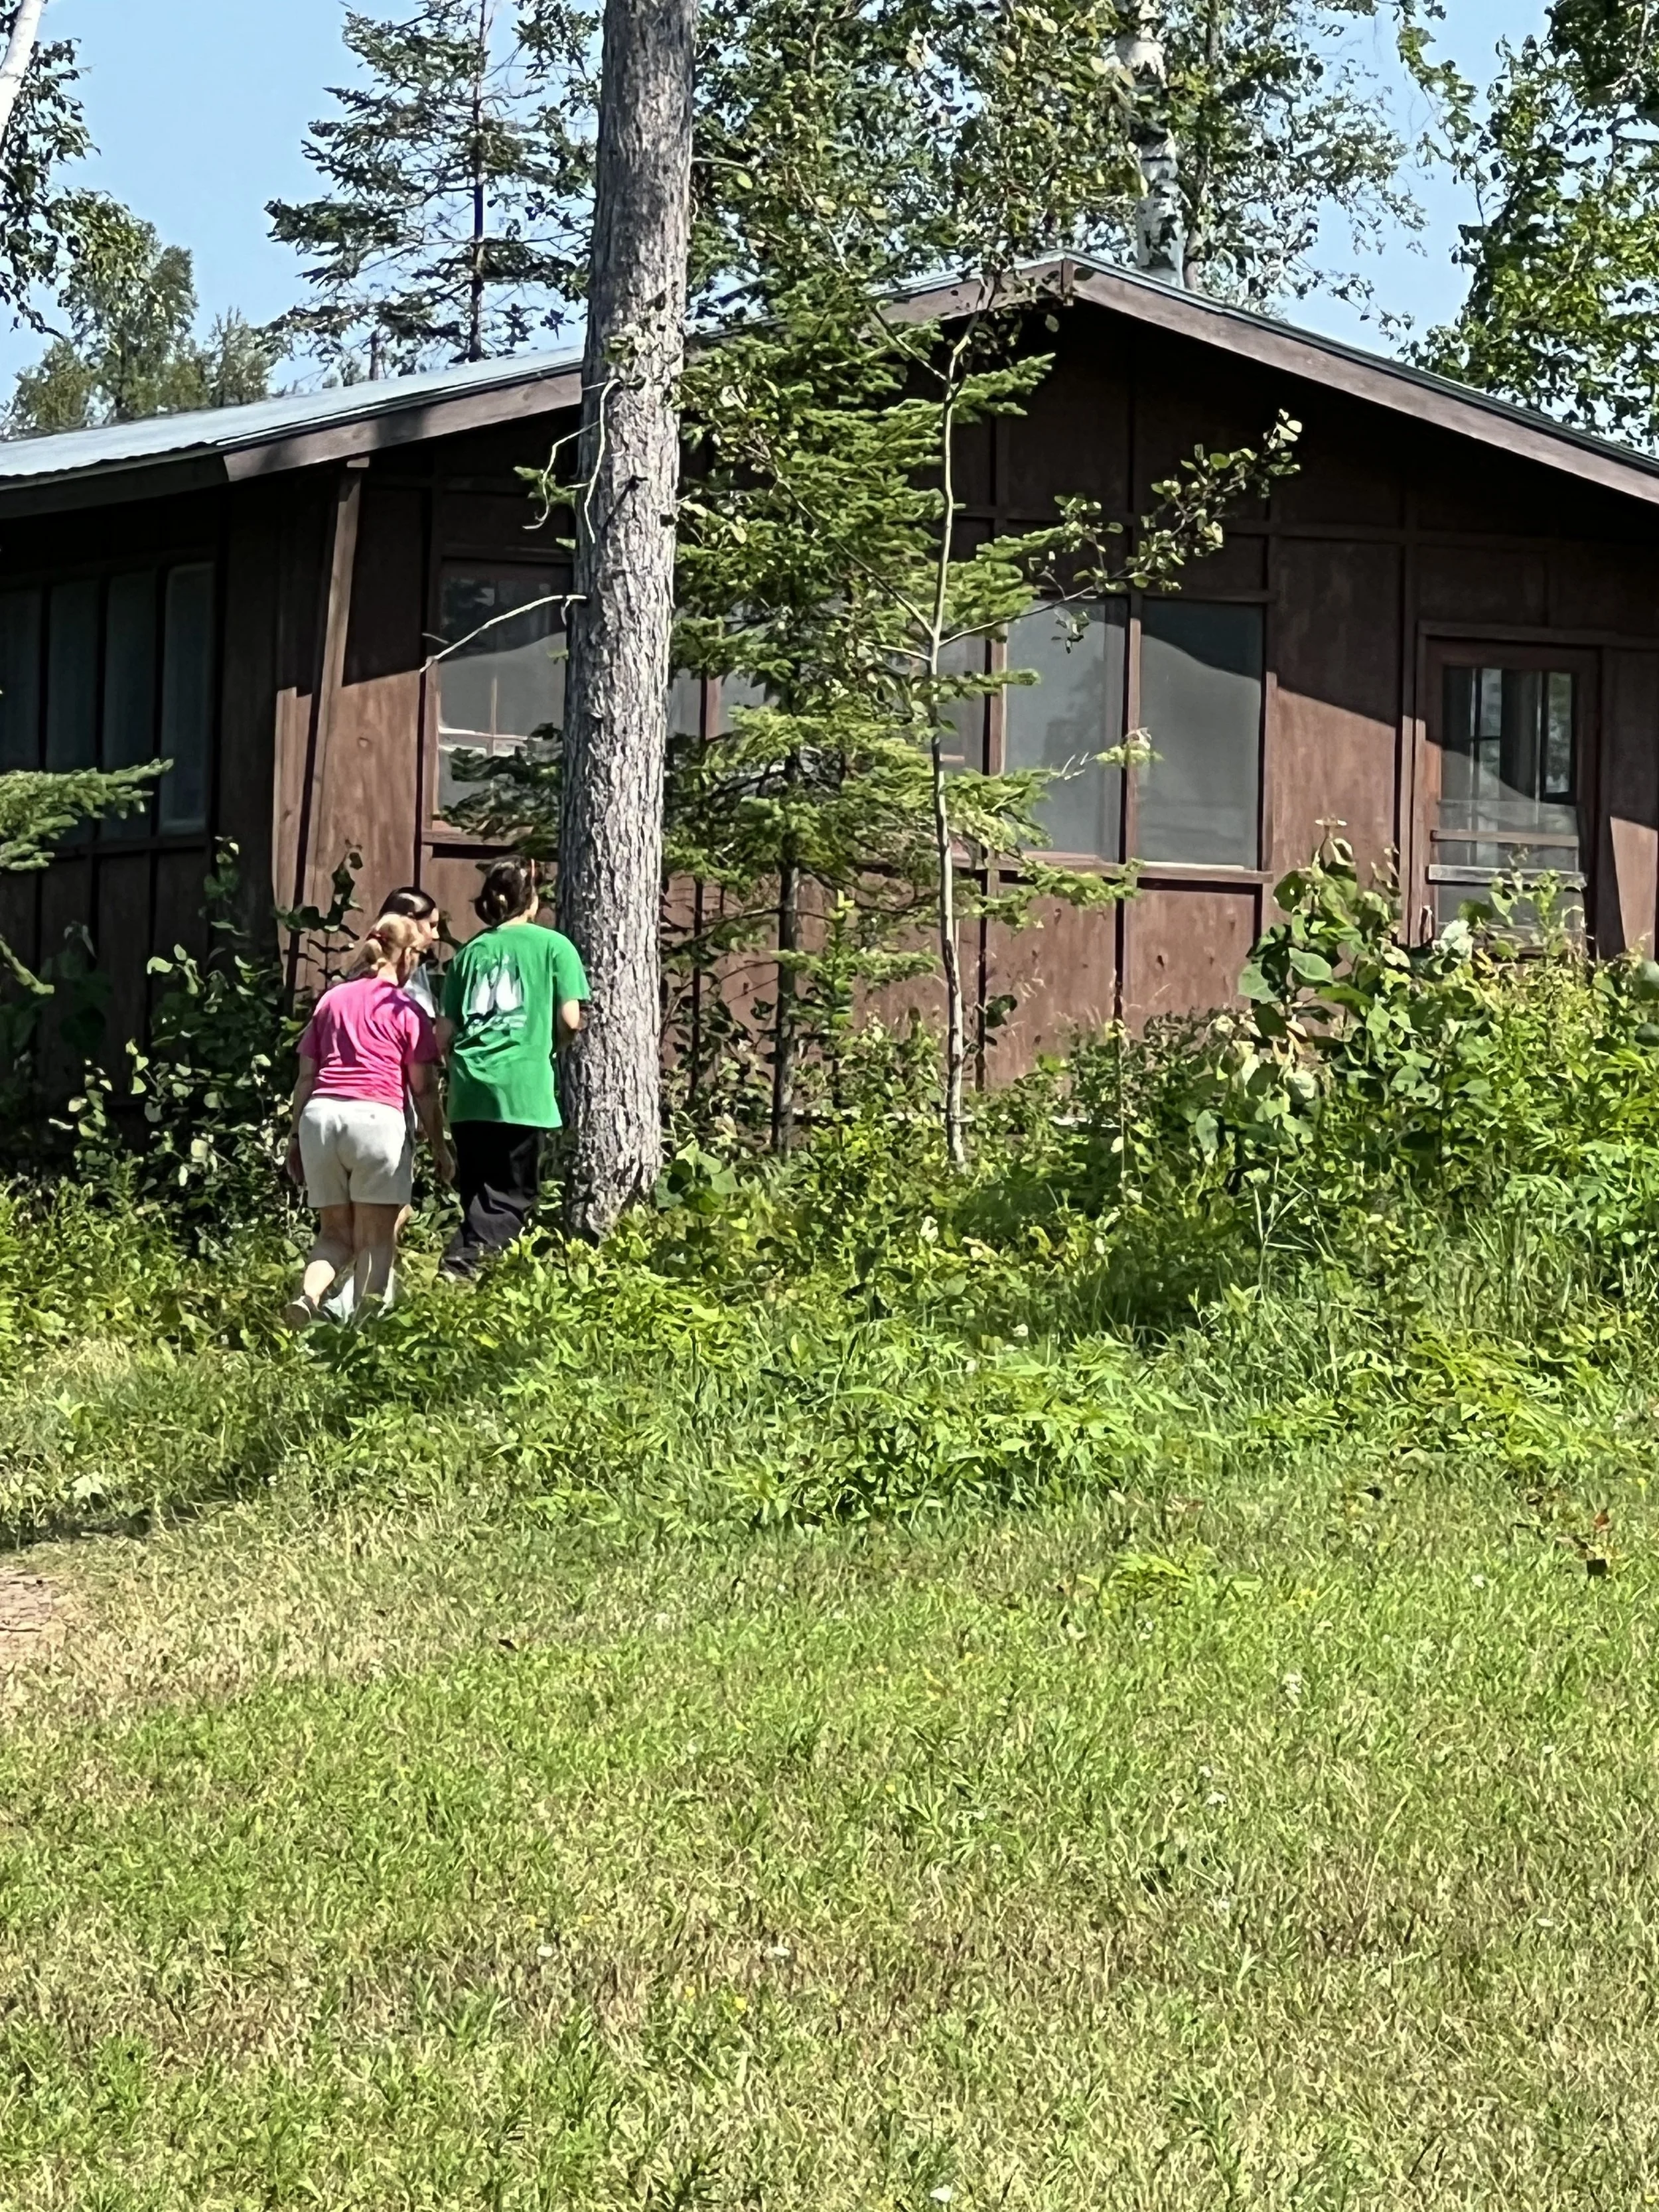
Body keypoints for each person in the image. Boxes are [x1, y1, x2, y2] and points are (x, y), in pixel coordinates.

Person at [283, 913, 454, 1328]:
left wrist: (293, 1141)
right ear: (408, 956)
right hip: (377, 1120)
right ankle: (365, 1338)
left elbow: (307, 1077)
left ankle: (308, 1296)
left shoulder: (331, 1000)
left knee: (334, 1236)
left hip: (321, 1119)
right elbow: (424, 1089)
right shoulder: (406, 1009)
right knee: (376, 1242)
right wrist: (439, 1147)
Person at [436, 857, 588, 1279]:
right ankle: (458, 1266)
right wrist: (557, 1044)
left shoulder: (469, 953)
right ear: (533, 898)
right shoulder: (554, 947)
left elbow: (442, 1035)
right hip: (521, 1086)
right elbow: (572, 1019)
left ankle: (470, 1289)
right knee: (512, 1196)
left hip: (469, 1089)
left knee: (479, 1194)